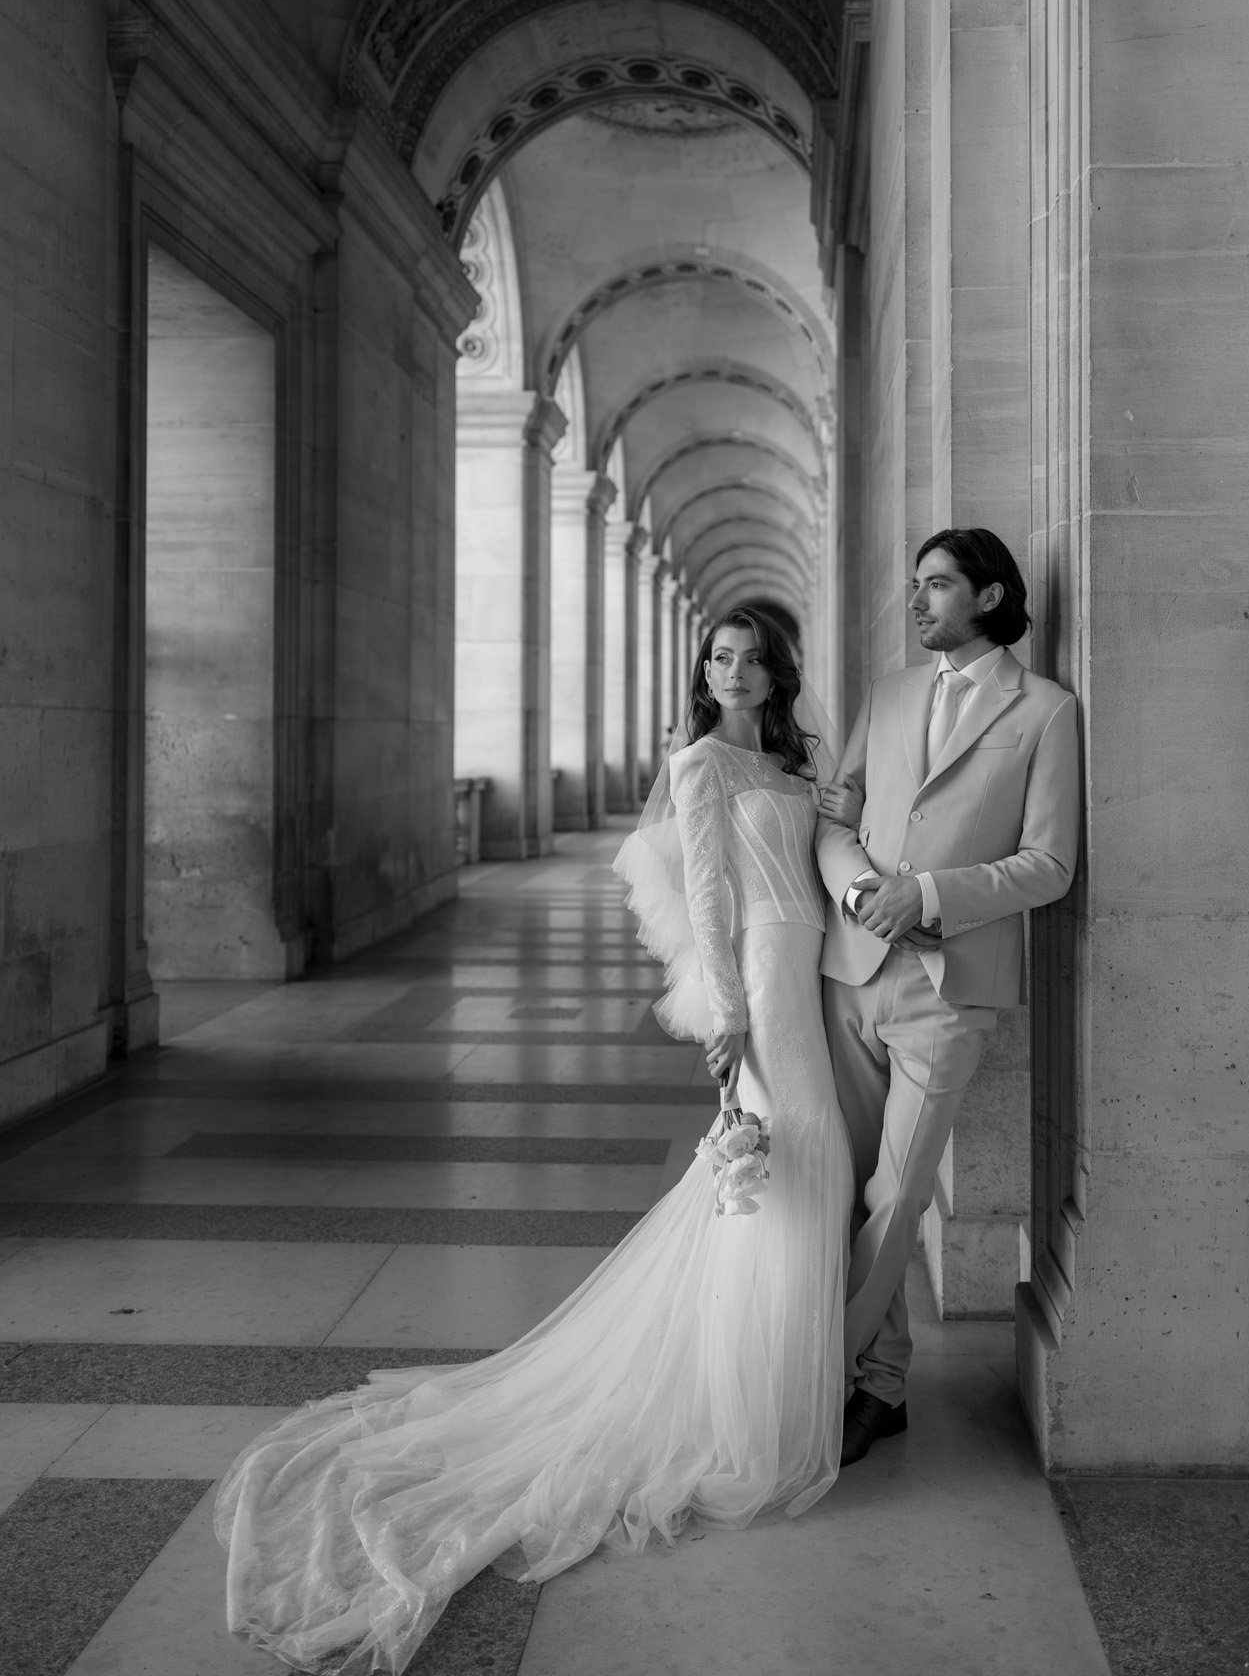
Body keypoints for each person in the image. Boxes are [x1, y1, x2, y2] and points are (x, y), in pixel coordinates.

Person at [216, 607, 855, 1675]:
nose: (734, 671)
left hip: (811, 965)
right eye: (718, 656)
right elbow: (706, 892)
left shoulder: (793, 763)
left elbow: (821, 850)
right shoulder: (699, 762)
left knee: (808, 1159)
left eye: (751, 658)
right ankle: (751, 1409)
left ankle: (779, 1384)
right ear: (704, 671)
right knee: (780, 1163)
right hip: (760, 978)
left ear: (777, 672)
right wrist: (730, 1011)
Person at [816, 529, 1080, 1465]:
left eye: (935, 585)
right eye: (915, 584)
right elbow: (834, 817)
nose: (917, 601)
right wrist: (864, 892)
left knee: (896, 1195)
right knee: (844, 1186)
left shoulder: (1044, 710)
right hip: (850, 973)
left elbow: (1049, 864)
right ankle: (881, 1386)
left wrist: (926, 895)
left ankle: (823, 1371)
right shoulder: (888, 694)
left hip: (950, 987)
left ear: (989, 595)